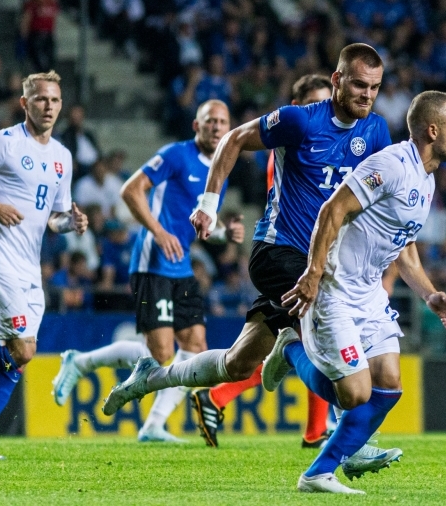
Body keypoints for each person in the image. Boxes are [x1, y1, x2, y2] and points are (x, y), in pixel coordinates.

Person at [101, 44, 399, 476]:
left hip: (327, 264)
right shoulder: (300, 120)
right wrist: (208, 202)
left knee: (237, 363)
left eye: (374, 87)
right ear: (337, 80)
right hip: (281, 252)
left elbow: (375, 206)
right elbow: (233, 139)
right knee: (335, 339)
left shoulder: (375, 133)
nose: (366, 94)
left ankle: (152, 376)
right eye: (358, 83)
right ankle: (347, 437)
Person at [269, 90, 446, 493]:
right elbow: (332, 210)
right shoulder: (391, 164)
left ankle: (317, 475)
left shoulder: (426, 180)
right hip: (335, 289)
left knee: (389, 383)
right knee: (355, 393)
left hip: (370, 294)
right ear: (433, 130)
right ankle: (290, 348)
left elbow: (405, 250)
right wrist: (312, 272)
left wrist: (430, 294)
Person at [51, 100, 244, 443]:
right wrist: (158, 231)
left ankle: (153, 425)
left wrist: (224, 234)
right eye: (209, 121)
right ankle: (79, 362)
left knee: (196, 346)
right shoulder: (176, 155)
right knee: (160, 355)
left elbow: (200, 224)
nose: (216, 126)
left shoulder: (221, 170)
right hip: (152, 260)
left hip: (181, 265)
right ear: (196, 126)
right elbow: (130, 190)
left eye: (222, 121)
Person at [189, 73, 334, 449]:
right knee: (318, 336)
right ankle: (318, 430)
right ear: (300, 105)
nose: (325, 113)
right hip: (287, 254)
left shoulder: (330, 145)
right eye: (316, 103)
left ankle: (216, 395)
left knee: (256, 355)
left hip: (307, 257)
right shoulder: (289, 149)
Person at [0, 70, 88, 459]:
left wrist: (71, 223)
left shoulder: (62, 157)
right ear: (24, 103)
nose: (49, 107)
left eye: (55, 100)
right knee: (23, 351)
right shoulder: (1, 144)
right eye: (41, 99)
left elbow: (54, 218)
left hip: (28, 265)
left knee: (14, 360)